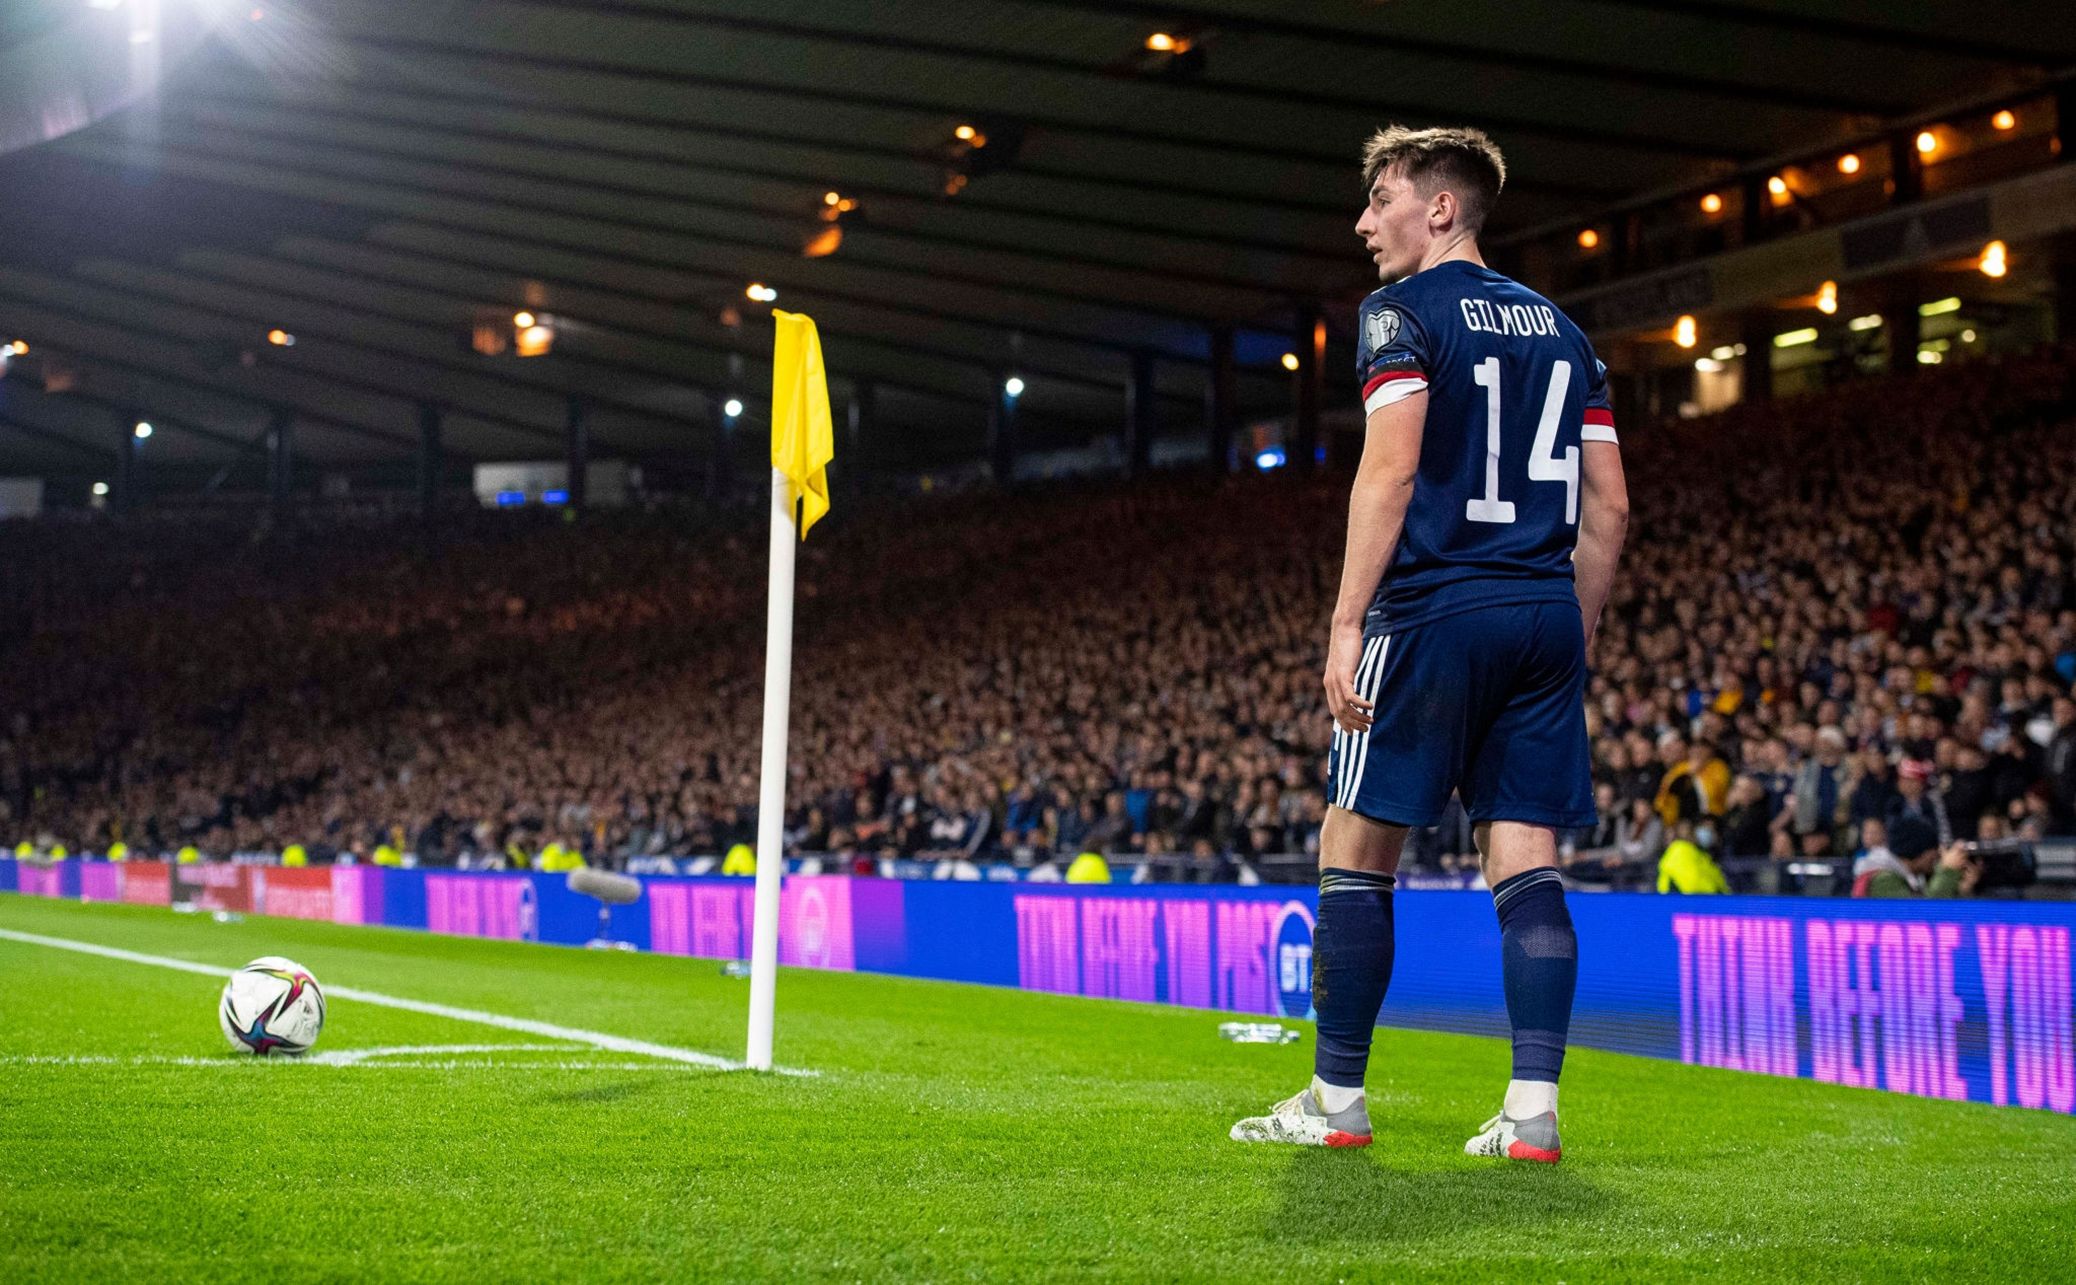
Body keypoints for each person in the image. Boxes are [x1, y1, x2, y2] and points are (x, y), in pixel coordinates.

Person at [1232, 125, 1625, 1165]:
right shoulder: (1568, 333)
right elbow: (1612, 509)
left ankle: (1336, 1098)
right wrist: (1575, 620)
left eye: (1382, 200)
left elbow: (1391, 471)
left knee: (1355, 851)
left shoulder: (1399, 315)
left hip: (1435, 607)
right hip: (1541, 611)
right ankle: (1532, 1109)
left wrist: (1347, 617)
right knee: (1527, 860)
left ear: (1440, 208)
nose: (1366, 225)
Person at [1852, 817, 1973, 897]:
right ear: (1920, 853)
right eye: (1932, 853)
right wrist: (1947, 871)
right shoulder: (1883, 879)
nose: (1936, 858)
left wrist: (1964, 890)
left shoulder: (1911, 877)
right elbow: (1921, 918)